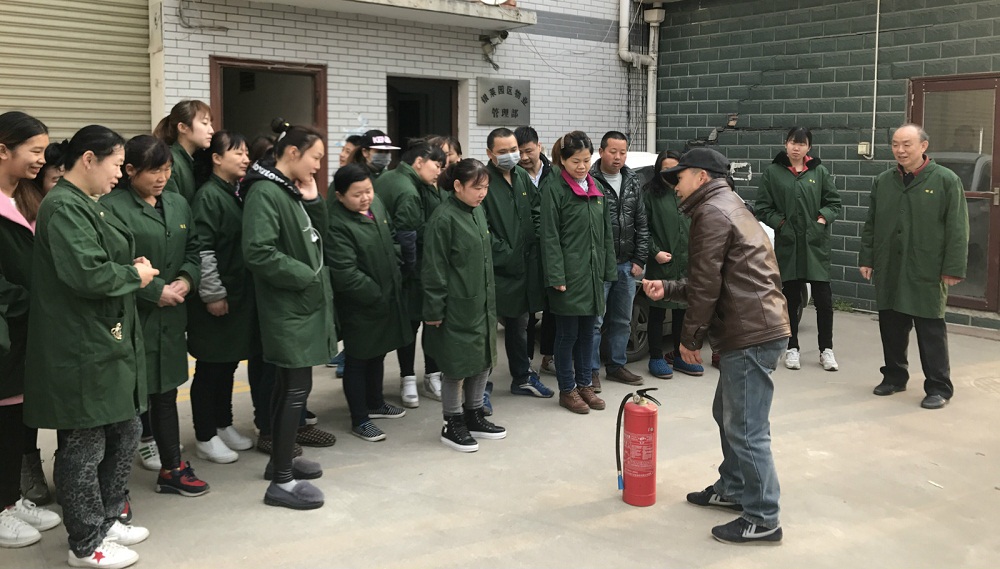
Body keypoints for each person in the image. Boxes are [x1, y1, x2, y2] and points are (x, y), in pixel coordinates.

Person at [24, 125, 159, 567]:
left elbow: (101, 258)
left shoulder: (88, 203)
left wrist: (129, 266)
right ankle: (85, 541)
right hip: (81, 344)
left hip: (105, 337)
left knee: (125, 429)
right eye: (116, 164)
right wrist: (133, 275)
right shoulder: (64, 206)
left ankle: (107, 517)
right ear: (88, 159)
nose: (120, 173)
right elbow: (86, 273)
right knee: (85, 443)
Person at [643, 147, 789, 545]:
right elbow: (715, 277)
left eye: (680, 177)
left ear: (701, 177)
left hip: (751, 331)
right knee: (726, 413)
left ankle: (763, 517)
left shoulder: (711, 211)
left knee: (746, 427)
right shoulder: (728, 204)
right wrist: (668, 287)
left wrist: (689, 338)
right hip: (754, 326)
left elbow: (708, 284)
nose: (675, 185)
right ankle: (734, 487)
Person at [102, 135, 209, 497]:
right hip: (132, 318)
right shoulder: (112, 207)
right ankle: (113, 489)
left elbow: (193, 250)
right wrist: (153, 291)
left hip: (171, 318)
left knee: (165, 395)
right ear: (130, 170)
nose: (162, 178)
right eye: (154, 171)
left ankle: (172, 469)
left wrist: (186, 280)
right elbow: (110, 266)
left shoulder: (177, 203)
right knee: (125, 403)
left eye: (167, 170)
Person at [242, 124, 335, 510]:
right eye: (315, 157)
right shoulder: (265, 192)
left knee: (290, 388)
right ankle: (282, 481)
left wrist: (312, 199)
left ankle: (281, 463)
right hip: (288, 309)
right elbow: (258, 251)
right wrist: (306, 277)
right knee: (294, 389)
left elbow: (317, 236)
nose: (318, 166)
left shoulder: (286, 189)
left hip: (299, 306)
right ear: (293, 153)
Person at [860, 124, 969, 410]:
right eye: (895, 144)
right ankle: (894, 377)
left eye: (907, 144)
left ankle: (938, 387)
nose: (900, 150)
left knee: (930, 329)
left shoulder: (946, 180)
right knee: (891, 325)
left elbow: (958, 228)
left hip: (927, 268)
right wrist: (867, 258)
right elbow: (871, 223)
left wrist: (953, 267)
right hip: (890, 265)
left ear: (923, 146)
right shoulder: (884, 181)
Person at [0, 111, 62, 548]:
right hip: (7, 328)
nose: (42, 160)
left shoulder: (24, 199)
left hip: (25, 331)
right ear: (3, 150)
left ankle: (10, 497)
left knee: (16, 421)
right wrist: (33, 303)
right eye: (34, 151)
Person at [326, 163, 413, 442]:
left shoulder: (376, 206)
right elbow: (345, 273)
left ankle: (375, 402)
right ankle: (360, 419)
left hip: (387, 296)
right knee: (358, 359)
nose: (365, 198)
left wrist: (396, 265)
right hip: (361, 305)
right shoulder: (337, 224)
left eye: (368, 191)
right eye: (357, 194)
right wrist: (375, 294)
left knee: (378, 352)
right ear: (340, 196)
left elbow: (392, 239)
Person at [423, 159, 505, 452]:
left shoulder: (477, 211)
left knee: (482, 359)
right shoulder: (443, 219)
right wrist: (434, 309)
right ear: (457, 186)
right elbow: (433, 268)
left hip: (480, 303)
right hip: (456, 307)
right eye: (476, 187)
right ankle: (452, 422)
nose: (482, 193)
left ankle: (474, 413)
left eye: (486, 187)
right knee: (456, 366)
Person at [187, 131, 258, 464]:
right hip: (216, 298)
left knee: (227, 363)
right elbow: (203, 249)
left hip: (236, 296)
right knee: (211, 366)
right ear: (216, 158)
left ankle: (223, 423)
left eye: (246, 153)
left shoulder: (234, 192)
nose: (245, 159)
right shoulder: (209, 196)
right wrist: (213, 293)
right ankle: (205, 435)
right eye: (237, 153)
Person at [755, 127, 842, 372]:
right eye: (793, 142)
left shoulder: (819, 172)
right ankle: (792, 347)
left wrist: (821, 220)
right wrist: (781, 224)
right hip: (789, 245)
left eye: (802, 144)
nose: (796, 147)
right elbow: (763, 207)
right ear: (786, 144)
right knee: (791, 299)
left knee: (824, 300)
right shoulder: (773, 172)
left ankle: (826, 349)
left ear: (808, 148)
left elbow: (834, 203)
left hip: (815, 245)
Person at [540, 131, 615, 414]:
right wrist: (556, 276)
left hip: (592, 275)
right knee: (567, 335)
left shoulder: (595, 188)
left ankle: (585, 384)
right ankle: (567, 389)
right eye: (575, 161)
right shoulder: (554, 189)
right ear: (562, 160)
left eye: (586, 160)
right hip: (569, 277)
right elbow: (549, 237)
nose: (582, 166)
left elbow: (606, 234)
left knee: (588, 334)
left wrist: (608, 269)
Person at [481, 127, 553, 404]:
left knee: (520, 327)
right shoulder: (483, 180)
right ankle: (480, 389)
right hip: (496, 272)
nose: (512, 156)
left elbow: (536, 210)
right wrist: (507, 252)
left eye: (514, 149)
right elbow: (481, 228)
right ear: (490, 154)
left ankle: (522, 377)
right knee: (487, 332)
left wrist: (536, 238)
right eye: (503, 152)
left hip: (524, 270)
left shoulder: (521, 176)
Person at [374, 142, 447, 408]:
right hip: (412, 270)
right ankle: (410, 379)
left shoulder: (388, 178)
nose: (439, 171)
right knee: (414, 323)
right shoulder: (410, 190)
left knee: (412, 324)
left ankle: (416, 378)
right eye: (436, 165)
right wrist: (409, 269)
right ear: (419, 161)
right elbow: (408, 236)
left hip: (389, 264)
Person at [589, 131, 648, 389]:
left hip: (626, 263)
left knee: (623, 320)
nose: (618, 157)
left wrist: (640, 259)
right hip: (600, 265)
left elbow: (641, 222)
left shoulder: (632, 180)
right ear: (601, 151)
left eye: (622, 152)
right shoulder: (590, 179)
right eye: (613, 152)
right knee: (595, 321)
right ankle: (591, 371)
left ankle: (616, 365)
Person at [643, 150, 704, 379]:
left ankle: (679, 356)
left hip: (687, 260)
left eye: (675, 169)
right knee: (657, 310)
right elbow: (643, 227)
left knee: (683, 311)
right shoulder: (650, 194)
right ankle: (656, 357)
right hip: (662, 259)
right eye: (665, 169)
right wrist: (655, 252)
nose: (670, 173)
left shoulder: (690, 192)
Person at [514, 126, 557, 376]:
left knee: (553, 308)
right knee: (527, 313)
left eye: (528, 151)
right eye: (518, 152)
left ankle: (548, 356)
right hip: (525, 254)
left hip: (550, 254)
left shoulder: (555, 174)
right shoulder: (513, 176)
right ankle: (526, 361)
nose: (524, 157)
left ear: (539, 147)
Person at [154, 100, 214, 203]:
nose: (211, 131)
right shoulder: (170, 161)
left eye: (210, 124)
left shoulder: (191, 160)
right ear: (182, 127)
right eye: (204, 123)